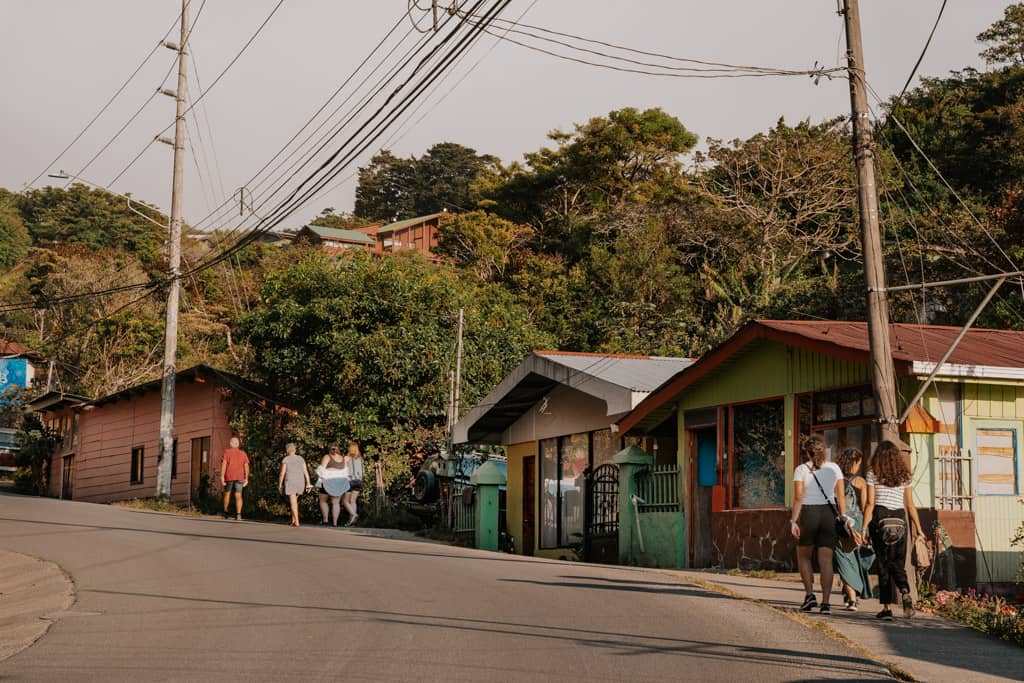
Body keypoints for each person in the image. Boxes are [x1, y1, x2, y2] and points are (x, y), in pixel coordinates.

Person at [862, 439, 923, 621]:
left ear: (878, 456)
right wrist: (919, 528)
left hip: (880, 519)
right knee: (897, 562)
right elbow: (910, 505)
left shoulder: (873, 473)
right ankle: (905, 591)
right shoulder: (905, 476)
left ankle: (887, 609)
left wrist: (864, 527)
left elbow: (870, 503)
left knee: (883, 564)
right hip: (900, 520)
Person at [790, 435, 850, 615]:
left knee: (804, 556)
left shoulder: (801, 469)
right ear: (824, 451)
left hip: (808, 513)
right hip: (828, 515)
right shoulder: (834, 468)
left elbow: (799, 497)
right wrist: (843, 516)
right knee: (826, 560)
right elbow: (841, 496)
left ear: (806, 452)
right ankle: (826, 603)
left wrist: (793, 520)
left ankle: (809, 596)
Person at [833, 447, 874, 611]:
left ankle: (850, 596)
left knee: (843, 559)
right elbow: (864, 507)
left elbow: (836, 502)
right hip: (858, 523)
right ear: (855, 463)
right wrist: (865, 527)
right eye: (859, 463)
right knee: (857, 560)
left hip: (842, 524)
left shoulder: (836, 480)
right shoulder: (861, 482)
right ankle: (852, 596)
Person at [278, 443, 311, 527]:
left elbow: (282, 473)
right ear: (295, 450)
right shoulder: (301, 458)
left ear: (287, 450)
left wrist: (280, 484)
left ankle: (297, 521)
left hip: (291, 482)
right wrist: (308, 483)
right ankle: (293, 520)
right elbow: (305, 471)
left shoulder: (286, 459)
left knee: (293, 503)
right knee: (295, 502)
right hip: (300, 482)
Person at [316, 444, 350, 526]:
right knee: (336, 503)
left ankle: (326, 520)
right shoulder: (342, 458)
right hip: (339, 482)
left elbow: (321, 470)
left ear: (330, 449)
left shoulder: (327, 457)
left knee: (323, 501)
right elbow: (346, 471)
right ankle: (335, 523)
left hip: (327, 481)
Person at [220, 436, 250, 521]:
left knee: (227, 493)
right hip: (240, 476)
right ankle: (238, 514)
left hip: (229, 476)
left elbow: (224, 465)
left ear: (231, 444)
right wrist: (246, 478)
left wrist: (222, 476)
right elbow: (246, 466)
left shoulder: (227, 452)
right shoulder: (243, 453)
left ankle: (225, 512)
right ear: (238, 444)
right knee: (238, 495)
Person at [342, 441, 364, 527]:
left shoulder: (347, 458)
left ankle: (354, 514)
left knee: (345, 501)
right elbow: (363, 471)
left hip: (350, 481)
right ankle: (352, 521)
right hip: (359, 481)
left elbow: (344, 470)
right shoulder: (360, 458)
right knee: (353, 501)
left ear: (350, 449)